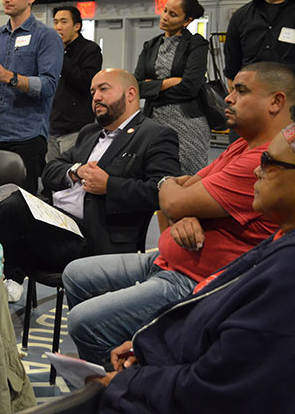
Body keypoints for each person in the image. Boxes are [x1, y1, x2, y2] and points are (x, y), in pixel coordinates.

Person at [63, 62, 294, 363]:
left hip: (194, 277)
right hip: (168, 256)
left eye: (241, 90)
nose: (227, 97)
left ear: (276, 102)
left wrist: (178, 201)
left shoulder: (260, 162)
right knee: (76, 274)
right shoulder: (241, 146)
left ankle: (119, 390)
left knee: (84, 321)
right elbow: (182, 191)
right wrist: (186, 210)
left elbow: (172, 197)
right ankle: (138, 355)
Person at [96, 116, 295, 413]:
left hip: (176, 375)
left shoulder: (286, 277)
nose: (257, 169)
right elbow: (177, 193)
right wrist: (149, 346)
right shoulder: (280, 236)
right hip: (172, 333)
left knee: (91, 332)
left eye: (269, 162)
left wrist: (128, 383)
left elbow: (213, 386)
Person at [0, 70, 180, 287]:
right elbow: (50, 170)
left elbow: (162, 191)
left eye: (104, 89)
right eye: (92, 92)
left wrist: (109, 186)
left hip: (95, 239)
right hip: (57, 222)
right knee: (5, 198)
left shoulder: (155, 135)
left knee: (13, 209)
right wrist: (76, 171)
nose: (96, 97)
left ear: (130, 94)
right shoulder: (89, 132)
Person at [0, 0, 63, 194]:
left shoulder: (46, 36)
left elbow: (48, 85)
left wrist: (10, 77)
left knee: (20, 205)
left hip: (26, 136)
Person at [134, 0, 210, 175]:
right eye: (165, 11)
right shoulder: (150, 45)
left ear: (187, 20)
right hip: (154, 120)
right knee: (156, 173)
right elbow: (136, 86)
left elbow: (190, 87)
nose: (165, 16)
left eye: (173, 14)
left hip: (188, 122)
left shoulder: (196, 44)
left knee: (187, 178)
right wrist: (167, 83)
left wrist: (153, 88)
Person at [47, 5, 103, 161]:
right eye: (56, 22)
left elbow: (86, 83)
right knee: (51, 176)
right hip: (50, 127)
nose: (58, 27)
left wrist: (60, 56)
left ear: (77, 26)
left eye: (63, 22)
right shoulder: (52, 51)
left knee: (72, 176)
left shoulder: (90, 50)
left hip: (75, 129)